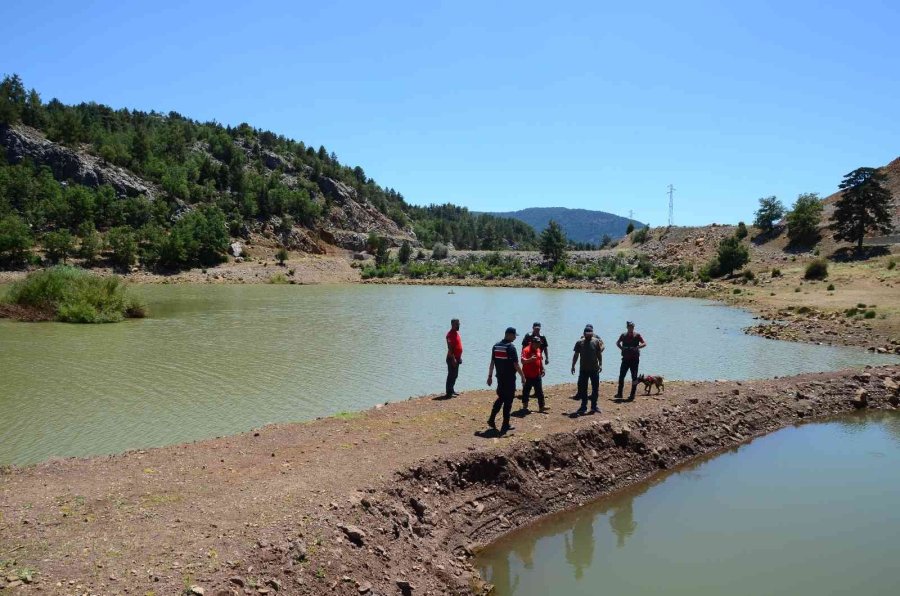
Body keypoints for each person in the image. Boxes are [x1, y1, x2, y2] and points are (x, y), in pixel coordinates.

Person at [487, 327, 526, 435]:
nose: (515, 338)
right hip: (509, 379)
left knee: (501, 398)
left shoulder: (496, 346)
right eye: (514, 335)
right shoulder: (511, 348)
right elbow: (516, 365)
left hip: (499, 377)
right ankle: (505, 424)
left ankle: (491, 419)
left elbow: (492, 363)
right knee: (508, 401)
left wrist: (490, 376)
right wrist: (523, 376)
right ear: (508, 334)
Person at [571, 324, 604, 415]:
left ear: (592, 333)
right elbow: (576, 355)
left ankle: (594, 406)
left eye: (590, 333)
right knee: (583, 389)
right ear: (584, 333)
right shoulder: (579, 342)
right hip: (583, 370)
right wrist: (573, 365)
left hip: (594, 369)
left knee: (595, 389)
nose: (589, 334)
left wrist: (600, 364)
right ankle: (583, 406)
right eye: (587, 333)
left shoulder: (596, 341)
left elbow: (599, 354)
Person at [615, 321, 647, 401]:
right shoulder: (623, 335)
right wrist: (621, 348)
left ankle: (632, 395)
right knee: (621, 376)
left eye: (632, 327)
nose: (631, 328)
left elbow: (644, 343)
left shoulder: (637, 335)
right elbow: (617, 343)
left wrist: (638, 347)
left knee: (634, 378)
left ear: (633, 327)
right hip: (625, 359)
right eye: (629, 327)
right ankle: (619, 393)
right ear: (627, 327)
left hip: (634, 360)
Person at [520, 334, 546, 412]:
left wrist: (542, 369)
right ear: (532, 343)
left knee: (540, 392)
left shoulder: (538, 349)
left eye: (539, 344)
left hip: (537, 375)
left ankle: (541, 407)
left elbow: (540, 360)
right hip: (527, 375)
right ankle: (525, 407)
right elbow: (522, 361)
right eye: (537, 343)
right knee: (526, 391)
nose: (538, 345)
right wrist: (530, 360)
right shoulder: (526, 350)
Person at [445, 318, 462, 398]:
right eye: (457, 324)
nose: (458, 325)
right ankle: (448, 392)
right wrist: (453, 358)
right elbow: (450, 348)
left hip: (457, 358)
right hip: (451, 358)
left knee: (455, 375)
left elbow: (458, 346)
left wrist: (459, 357)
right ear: (452, 324)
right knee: (451, 375)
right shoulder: (450, 334)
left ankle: (452, 390)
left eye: (459, 324)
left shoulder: (456, 333)